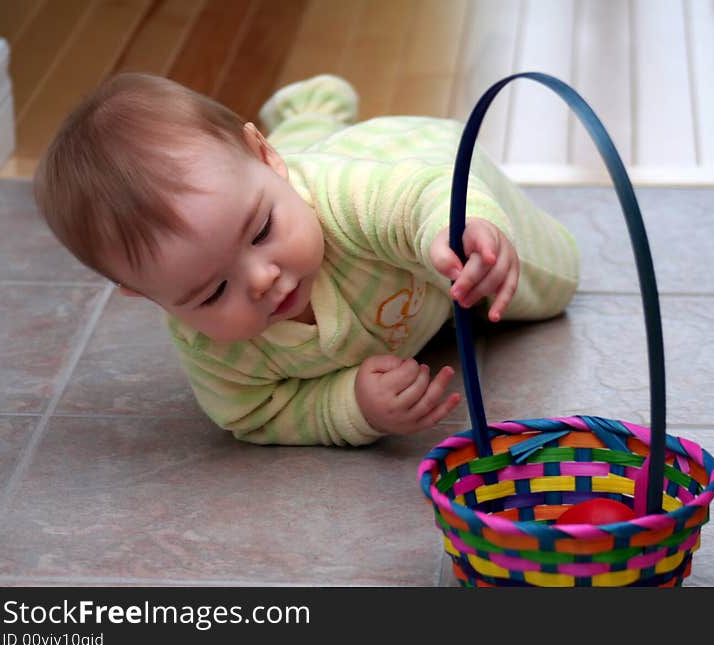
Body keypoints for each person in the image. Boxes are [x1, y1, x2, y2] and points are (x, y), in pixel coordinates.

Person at [34, 73, 580, 447]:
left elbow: (414, 195)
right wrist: (352, 407)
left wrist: (458, 226)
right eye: (212, 292)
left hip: (419, 157)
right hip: (296, 174)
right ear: (146, 295)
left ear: (267, 160)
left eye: (262, 231)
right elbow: (255, 414)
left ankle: (311, 115)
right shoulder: (212, 350)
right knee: (291, 167)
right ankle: (309, 116)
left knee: (548, 282)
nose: (262, 278)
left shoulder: (346, 200)